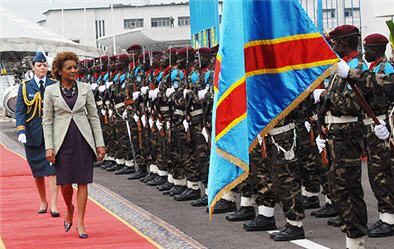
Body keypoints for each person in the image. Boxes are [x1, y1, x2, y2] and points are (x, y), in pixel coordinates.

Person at [43, 52, 105, 239]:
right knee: (65, 183)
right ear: (60, 71)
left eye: (75, 67)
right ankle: (69, 208)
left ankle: (80, 222)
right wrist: (49, 146)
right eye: (69, 68)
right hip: (62, 142)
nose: (73, 70)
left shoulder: (85, 88)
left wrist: (99, 144)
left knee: (83, 181)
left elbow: (94, 117)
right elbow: (47, 120)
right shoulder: (50, 91)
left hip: (82, 140)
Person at [15, 51, 59, 217]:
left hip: (51, 135)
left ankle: (54, 204)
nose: (42, 68)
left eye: (45, 65)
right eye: (39, 65)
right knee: (37, 172)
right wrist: (21, 131)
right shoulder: (25, 87)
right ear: (33, 67)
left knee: (53, 170)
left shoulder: (54, 85)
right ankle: (43, 201)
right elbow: (20, 111)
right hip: (32, 135)